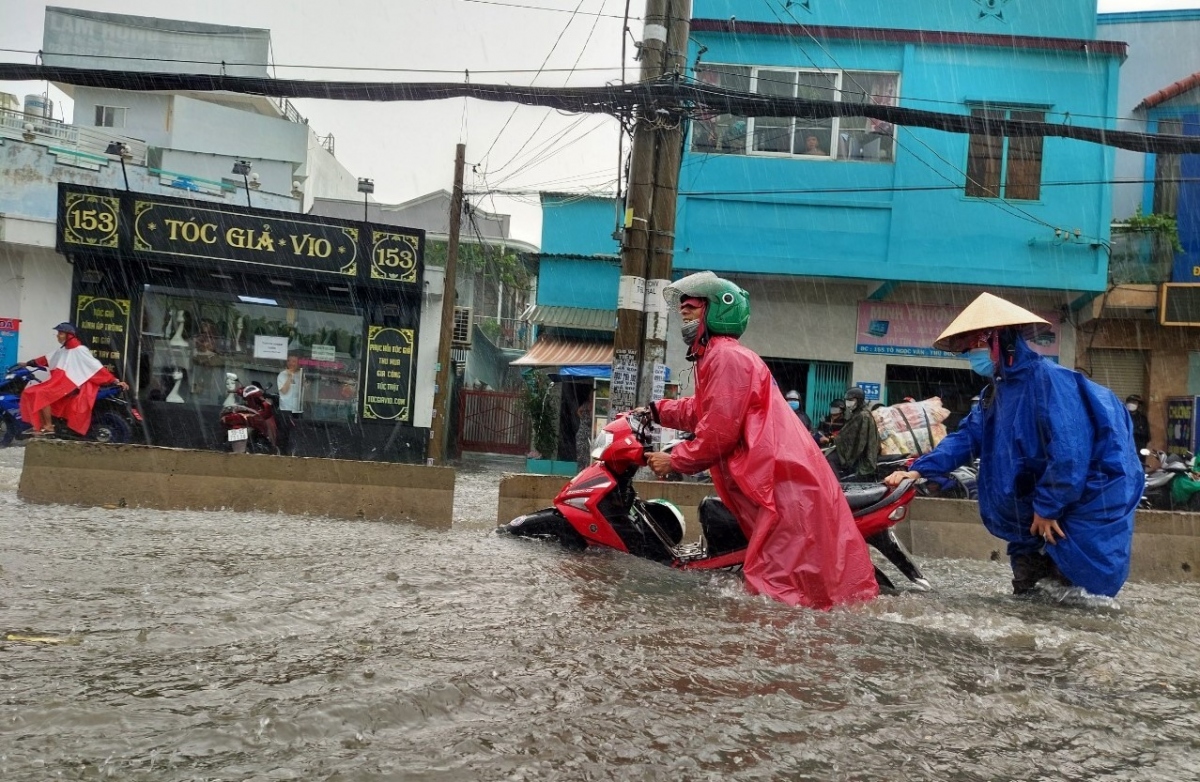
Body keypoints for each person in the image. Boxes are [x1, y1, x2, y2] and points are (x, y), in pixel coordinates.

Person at [643, 271, 878, 609]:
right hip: (780, 479)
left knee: (777, 592)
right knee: (795, 585)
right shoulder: (717, 358)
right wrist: (655, 410)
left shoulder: (726, 357)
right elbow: (704, 410)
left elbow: (720, 431)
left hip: (782, 482)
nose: (684, 316)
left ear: (715, 312)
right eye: (682, 310)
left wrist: (676, 459)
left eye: (692, 309)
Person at [884, 293, 1142, 598]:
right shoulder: (995, 394)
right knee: (1028, 597)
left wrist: (1049, 508)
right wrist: (917, 471)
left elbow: (1070, 454)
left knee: (1073, 602)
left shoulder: (1051, 383)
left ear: (996, 341)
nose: (971, 356)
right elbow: (966, 438)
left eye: (975, 347)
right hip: (1030, 518)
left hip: (1070, 515)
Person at [20, 322, 128, 437]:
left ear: (69, 335)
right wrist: (27, 363)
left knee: (42, 394)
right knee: (30, 391)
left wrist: (115, 381)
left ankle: (48, 426)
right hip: (59, 383)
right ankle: (39, 425)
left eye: (60, 333)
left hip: (71, 385)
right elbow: (45, 359)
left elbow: (96, 368)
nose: (57, 336)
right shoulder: (62, 350)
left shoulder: (80, 350)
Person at [827, 386, 880, 479]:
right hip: (858, 451)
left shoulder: (863, 416)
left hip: (863, 456)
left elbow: (859, 440)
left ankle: (837, 486)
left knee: (830, 459)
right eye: (847, 400)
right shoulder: (857, 414)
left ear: (858, 400)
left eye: (851, 400)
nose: (848, 402)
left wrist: (838, 440)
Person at [275, 354, 304, 456]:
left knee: (296, 433)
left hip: (297, 409)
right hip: (285, 409)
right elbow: (284, 390)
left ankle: (293, 453)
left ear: (297, 363)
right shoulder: (282, 375)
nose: (291, 363)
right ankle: (282, 453)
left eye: (294, 361)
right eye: (289, 361)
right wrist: (289, 377)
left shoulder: (301, 375)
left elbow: (302, 392)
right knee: (284, 433)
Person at [575, 399, 593, 471]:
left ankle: (585, 471)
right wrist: (582, 417)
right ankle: (581, 471)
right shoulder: (586, 405)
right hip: (583, 435)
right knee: (582, 455)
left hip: (588, 436)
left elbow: (578, 411)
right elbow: (578, 411)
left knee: (587, 455)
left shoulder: (594, 407)